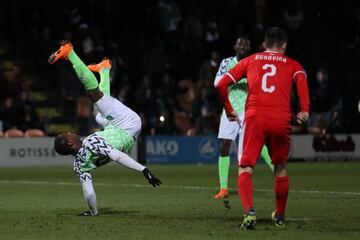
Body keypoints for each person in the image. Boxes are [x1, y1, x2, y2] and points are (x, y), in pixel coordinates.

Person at [48, 40, 162, 216]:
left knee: (99, 113)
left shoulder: (79, 165)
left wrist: (93, 211)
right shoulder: (92, 143)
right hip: (128, 124)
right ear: (70, 143)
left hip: (118, 131)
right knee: (95, 96)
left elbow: (89, 191)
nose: (70, 132)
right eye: (67, 134)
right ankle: (70, 53)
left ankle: (104, 69)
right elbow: (116, 156)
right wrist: (144, 170)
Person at [216, 27, 309, 228]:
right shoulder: (294, 65)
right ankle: (280, 216)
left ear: (264, 44)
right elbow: (302, 81)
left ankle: (249, 212)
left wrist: (229, 109)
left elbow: (221, 85)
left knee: (245, 167)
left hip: (255, 117)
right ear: (284, 45)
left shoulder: (251, 60)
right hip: (281, 119)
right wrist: (304, 110)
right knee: (280, 168)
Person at [213, 37, 274, 199]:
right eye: (239, 43)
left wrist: (234, 79)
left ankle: (278, 173)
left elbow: (257, 84)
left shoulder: (254, 62)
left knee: (257, 144)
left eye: (246, 44)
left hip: (248, 109)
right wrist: (238, 79)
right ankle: (223, 188)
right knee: (224, 146)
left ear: (249, 48)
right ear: (234, 46)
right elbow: (217, 82)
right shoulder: (226, 62)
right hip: (230, 109)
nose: (242, 46)